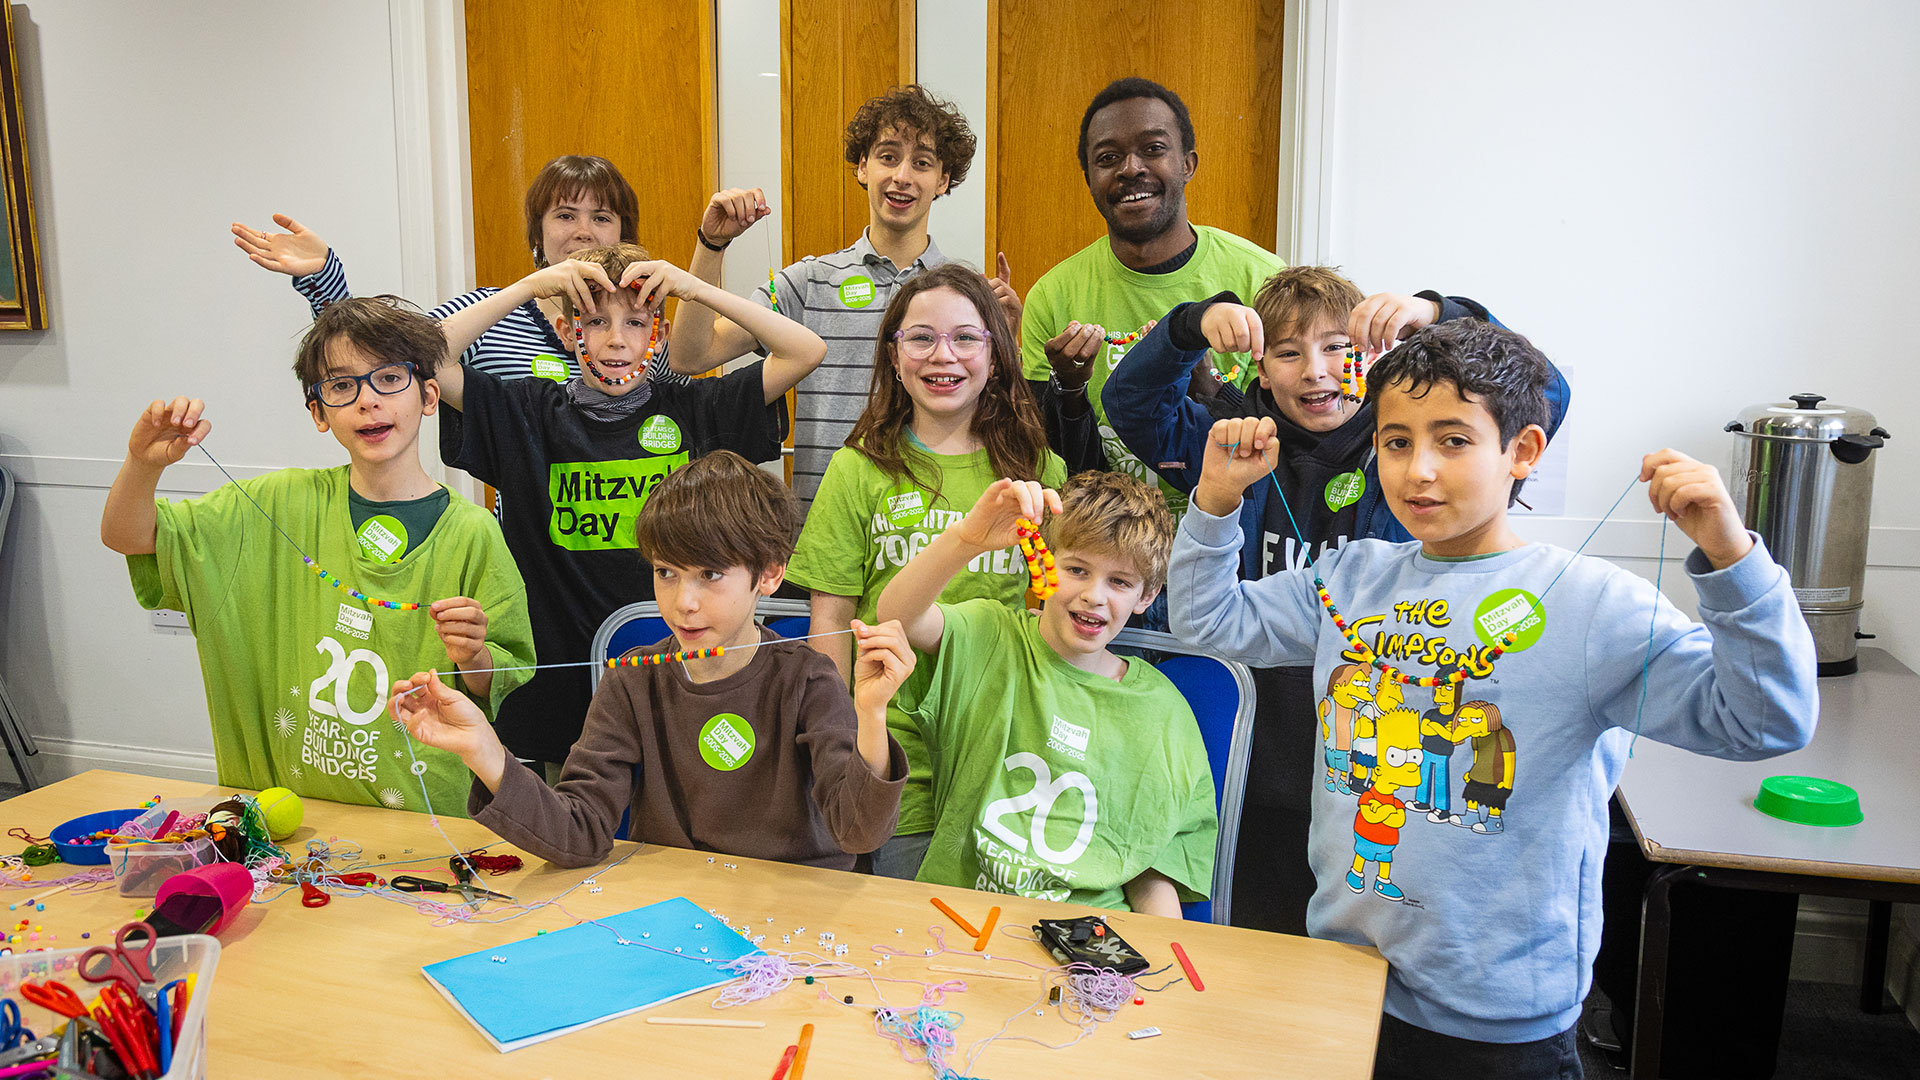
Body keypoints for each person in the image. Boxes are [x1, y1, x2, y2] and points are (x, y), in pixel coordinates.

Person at [1169, 319, 1816, 1074]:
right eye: (1396, 442)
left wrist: (1731, 555)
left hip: (1498, 1022)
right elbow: (1208, 622)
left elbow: (1766, 720)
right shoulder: (1353, 577)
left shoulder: (1591, 603)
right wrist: (1216, 501)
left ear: (1523, 451)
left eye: (1453, 440)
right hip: (1345, 983)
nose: (1418, 471)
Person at [1102, 267, 1567, 932]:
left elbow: (1541, 391)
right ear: (1262, 373)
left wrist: (1437, 313)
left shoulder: (1402, 450)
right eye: (1288, 353)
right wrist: (1188, 326)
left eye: (1337, 348)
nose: (1316, 371)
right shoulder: (1236, 439)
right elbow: (1131, 403)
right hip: (1250, 755)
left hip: (1377, 756)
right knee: (1255, 933)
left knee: (1360, 929)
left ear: (1371, 355)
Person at [101, 297, 536, 813]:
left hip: (421, 824)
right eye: (342, 386)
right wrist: (142, 464)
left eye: (389, 378)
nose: (368, 401)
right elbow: (128, 537)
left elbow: (502, 684)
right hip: (282, 820)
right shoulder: (275, 504)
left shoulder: (473, 533)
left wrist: (473, 655)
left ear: (428, 395)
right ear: (318, 412)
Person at [389, 451, 912, 868]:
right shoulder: (633, 680)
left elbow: (858, 832)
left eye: (710, 575)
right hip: (670, 906)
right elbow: (580, 831)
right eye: (666, 573)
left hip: (794, 909)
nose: (684, 602)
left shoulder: (808, 677)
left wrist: (870, 714)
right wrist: (483, 748)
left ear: (770, 574)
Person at [429, 243, 824, 773]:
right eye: (596, 322)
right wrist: (529, 287)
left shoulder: (697, 411)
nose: (617, 339)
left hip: (683, 696)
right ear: (568, 332)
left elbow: (805, 351)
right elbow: (426, 359)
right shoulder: (525, 415)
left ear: (659, 333)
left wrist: (693, 288)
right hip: (561, 708)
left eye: (637, 323)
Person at [784, 263, 1065, 879]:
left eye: (965, 337)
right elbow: (829, 621)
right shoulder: (857, 469)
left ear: (996, 355)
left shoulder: (1039, 471)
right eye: (921, 338)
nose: (944, 356)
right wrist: (840, 744)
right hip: (894, 755)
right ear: (893, 355)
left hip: (1005, 757)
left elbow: (1052, 620)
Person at [671, 85, 1053, 505]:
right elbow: (691, 356)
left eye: (922, 163)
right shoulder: (809, 282)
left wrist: (1006, 343)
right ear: (863, 167)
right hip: (820, 528)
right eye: (888, 157)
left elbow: (1006, 423)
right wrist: (711, 243)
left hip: (932, 525)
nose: (902, 176)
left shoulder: (966, 298)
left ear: (943, 180)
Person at [877, 471, 1216, 915]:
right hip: (958, 915)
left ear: (1147, 596)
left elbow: (1152, 871)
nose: (1094, 596)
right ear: (1043, 564)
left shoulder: (1163, 713)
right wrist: (966, 539)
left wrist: (1161, 953)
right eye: (1076, 570)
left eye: (1119, 582)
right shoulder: (991, 636)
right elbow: (897, 617)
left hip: (1092, 937)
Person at [1020, 77, 1286, 507]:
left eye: (1153, 149)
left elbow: (1290, 445)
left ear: (1188, 164)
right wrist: (1069, 390)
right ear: (1089, 178)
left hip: (1233, 535)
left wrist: (1211, 393)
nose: (1130, 168)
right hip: (1106, 543)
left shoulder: (1264, 280)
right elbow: (1055, 466)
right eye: (1108, 158)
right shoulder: (1053, 296)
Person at [231, 154, 686, 385]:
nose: (583, 232)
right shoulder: (488, 312)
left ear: (624, 234)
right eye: (565, 215)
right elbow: (386, 361)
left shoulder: (648, 319)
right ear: (537, 234)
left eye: (601, 218)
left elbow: (689, 377)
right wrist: (324, 280)